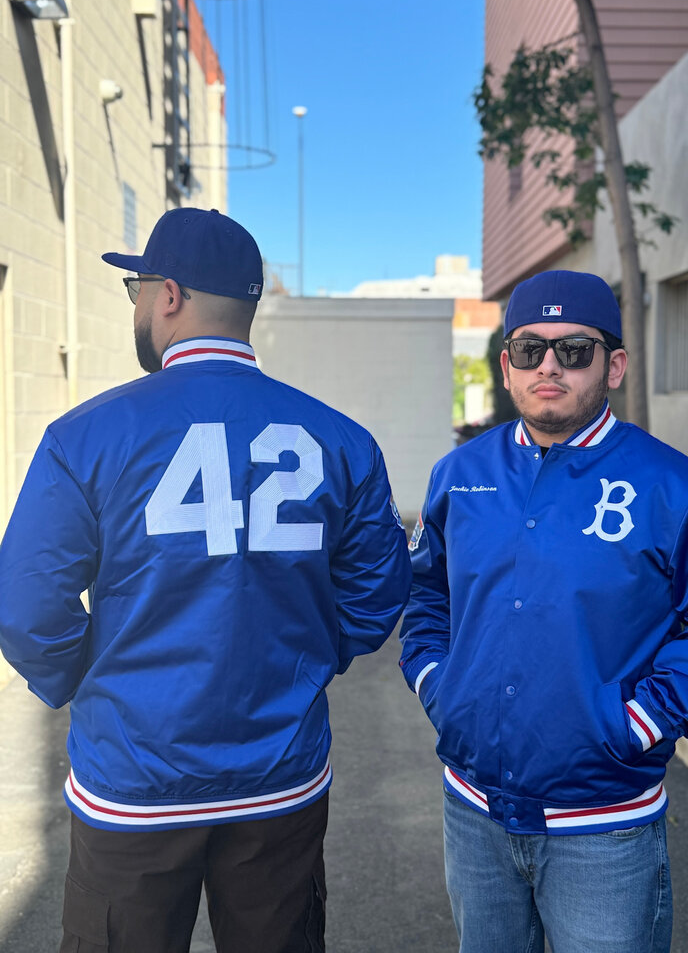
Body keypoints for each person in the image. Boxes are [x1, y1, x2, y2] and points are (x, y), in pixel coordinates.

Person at [0, 207, 411, 953]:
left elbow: (28, 607)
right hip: (278, 773)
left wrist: (89, 682)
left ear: (169, 295)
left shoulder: (84, 436)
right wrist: (307, 659)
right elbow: (378, 591)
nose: (135, 304)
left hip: (135, 779)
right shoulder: (341, 438)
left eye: (137, 286)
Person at [399, 269, 688, 953]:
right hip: (473, 813)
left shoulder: (678, 488)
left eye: (575, 349)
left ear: (614, 364)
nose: (549, 366)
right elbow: (426, 593)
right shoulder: (459, 474)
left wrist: (640, 722)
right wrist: (438, 683)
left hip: (604, 825)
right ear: (506, 367)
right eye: (529, 349)